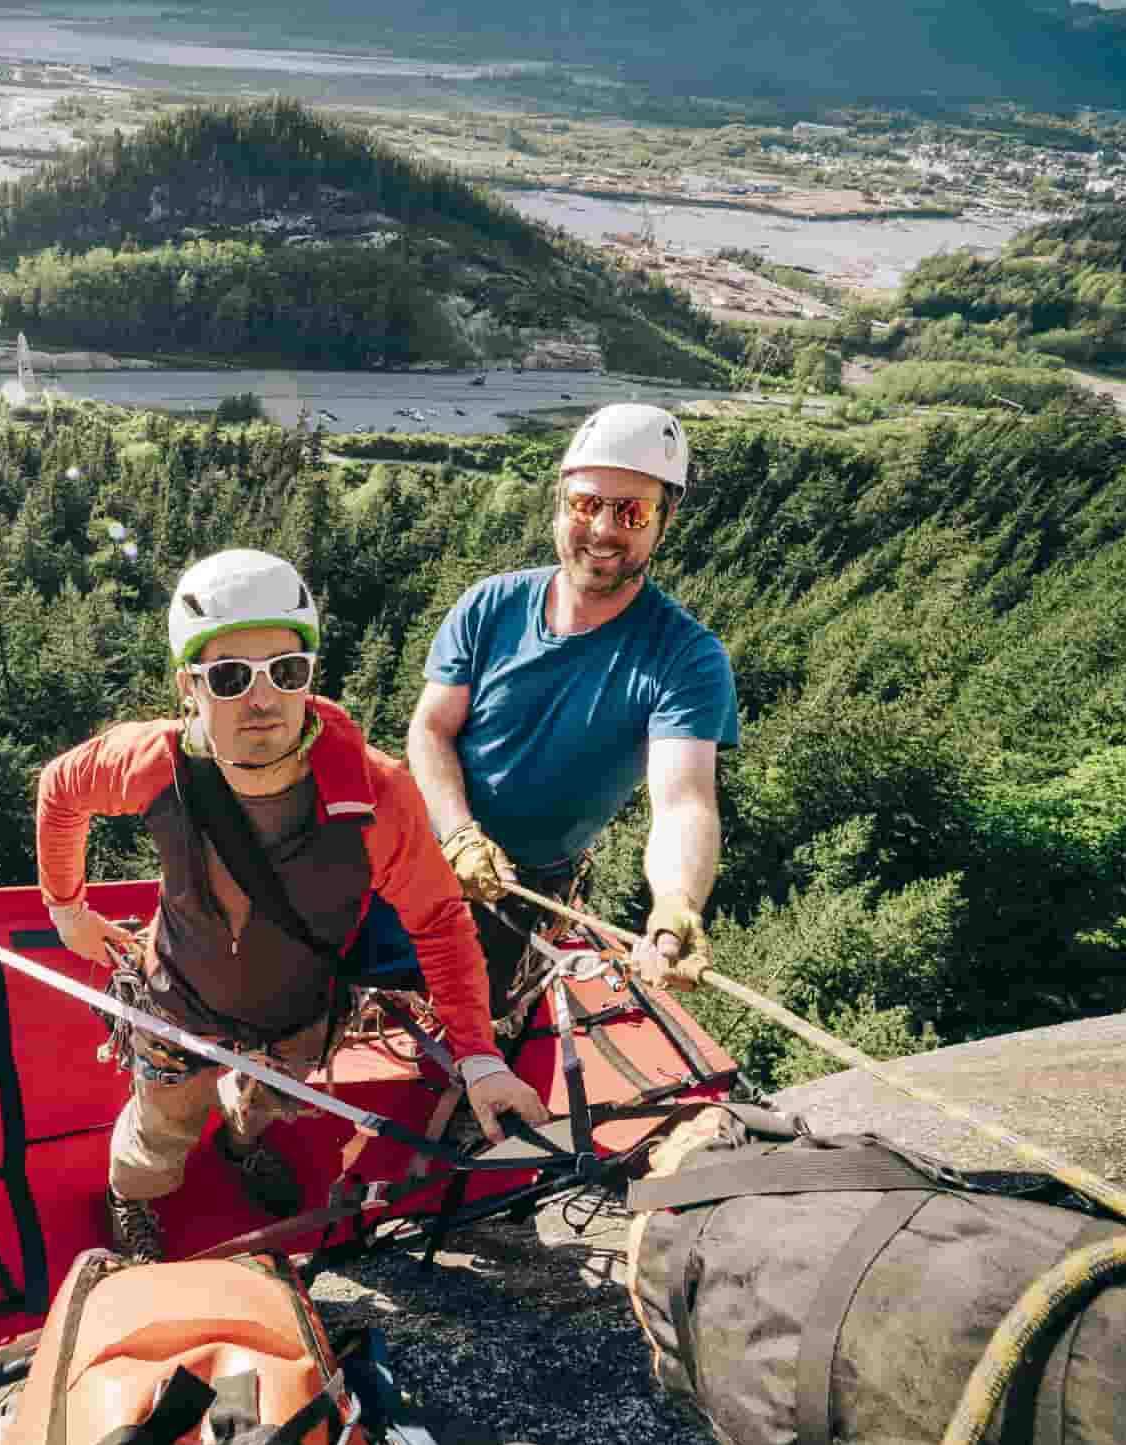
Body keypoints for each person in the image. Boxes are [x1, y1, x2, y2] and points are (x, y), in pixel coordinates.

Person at [37, 548, 548, 1263]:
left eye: (285, 670)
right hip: (179, 996)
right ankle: (136, 1194)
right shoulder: (152, 762)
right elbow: (61, 789)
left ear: (309, 676)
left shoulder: (375, 794)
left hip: (297, 1009)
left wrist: (479, 1057)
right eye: (229, 676)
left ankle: (244, 1144)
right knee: (159, 1130)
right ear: (190, 688)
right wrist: (65, 904)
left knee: (264, 1102)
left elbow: (437, 921)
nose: (261, 698)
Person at [406, 404, 738, 1012]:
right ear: (560, 507)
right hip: (420, 839)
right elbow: (431, 731)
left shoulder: (684, 658)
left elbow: (685, 799)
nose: (604, 531)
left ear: (662, 526)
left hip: (523, 888)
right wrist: (458, 834)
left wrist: (677, 904)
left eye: (631, 512)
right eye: (587, 505)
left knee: (470, 1023)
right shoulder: (491, 606)